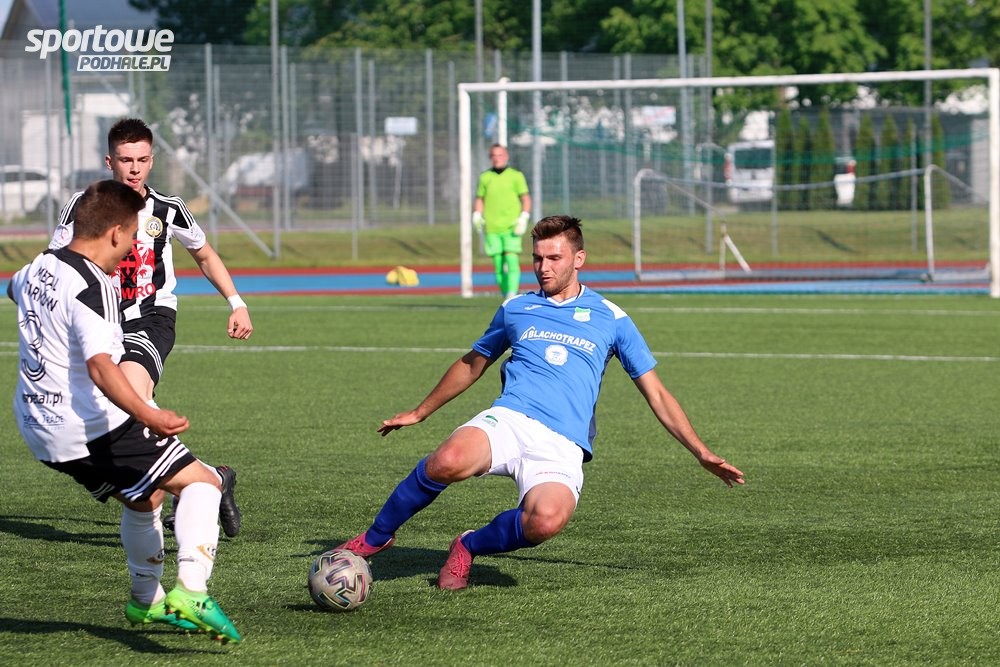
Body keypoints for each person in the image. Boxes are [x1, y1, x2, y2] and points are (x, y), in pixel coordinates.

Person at [338, 215, 745, 590]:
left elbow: (656, 392)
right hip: (511, 418)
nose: (543, 267)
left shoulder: (612, 318)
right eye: (537, 258)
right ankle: (375, 538)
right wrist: (420, 411)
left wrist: (701, 452)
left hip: (563, 442)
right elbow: (472, 363)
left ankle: (468, 545)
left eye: (554, 258)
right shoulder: (515, 308)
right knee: (447, 460)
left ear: (579, 259)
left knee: (545, 521)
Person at [9, 180, 241, 642]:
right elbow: (101, 368)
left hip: (39, 428)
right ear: (115, 232)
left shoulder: (37, 267)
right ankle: (193, 590)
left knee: (145, 498)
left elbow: (15, 291)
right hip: (91, 424)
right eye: (133, 235)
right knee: (204, 484)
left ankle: (146, 601)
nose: (134, 246)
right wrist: (149, 415)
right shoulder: (94, 285)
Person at [49, 118, 250, 538]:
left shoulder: (168, 208)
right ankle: (211, 478)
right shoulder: (82, 207)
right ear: (110, 161)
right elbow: (57, 263)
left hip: (151, 318)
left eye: (142, 159)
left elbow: (205, 255)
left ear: (152, 160)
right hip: (101, 324)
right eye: (126, 160)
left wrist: (237, 303)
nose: (134, 168)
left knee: (131, 400)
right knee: (120, 413)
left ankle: (174, 503)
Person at [472, 144, 531, 298]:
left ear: (506, 156)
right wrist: (477, 214)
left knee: (511, 259)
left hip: (511, 227)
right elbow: (479, 198)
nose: (497, 158)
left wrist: (523, 217)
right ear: (490, 158)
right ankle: (505, 293)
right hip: (492, 227)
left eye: (500, 155)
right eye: (494, 155)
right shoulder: (485, 177)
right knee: (498, 263)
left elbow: (525, 198)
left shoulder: (516, 176)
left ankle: (512, 293)